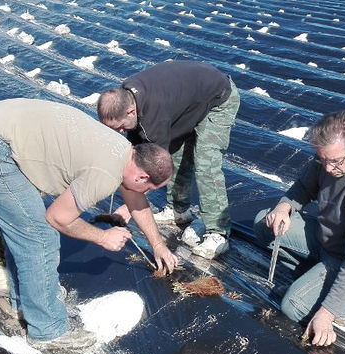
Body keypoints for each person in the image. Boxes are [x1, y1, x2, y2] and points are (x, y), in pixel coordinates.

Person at [0, 98, 178, 350]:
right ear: (141, 175)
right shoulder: (105, 173)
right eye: (149, 187)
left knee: (26, 226)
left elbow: (135, 199)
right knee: (40, 235)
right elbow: (57, 218)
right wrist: (102, 237)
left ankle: (28, 301)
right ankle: (47, 331)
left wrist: (158, 245)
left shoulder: (123, 151)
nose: (145, 192)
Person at [255, 111, 345, 347]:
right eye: (323, 160)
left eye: (336, 162)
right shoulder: (327, 158)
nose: (329, 168)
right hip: (329, 240)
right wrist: (284, 207)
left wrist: (326, 314)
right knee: (265, 224)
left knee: (292, 306)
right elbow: (303, 187)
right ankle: (315, 280)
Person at [97, 61, 240, 260]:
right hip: (187, 103)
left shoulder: (153, 116)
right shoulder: (126, 97)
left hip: (217, 99)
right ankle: (178, 210)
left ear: (131, 111)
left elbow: (155, 168)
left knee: (206, 163)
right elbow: (135, 152)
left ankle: (219, 232)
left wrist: (131, 205)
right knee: (176, 153)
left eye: (121, 127)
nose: (120, 132)